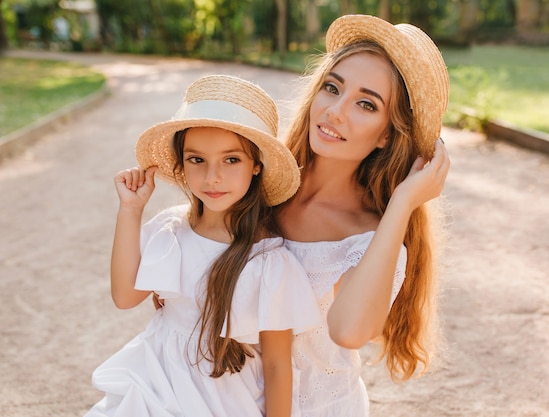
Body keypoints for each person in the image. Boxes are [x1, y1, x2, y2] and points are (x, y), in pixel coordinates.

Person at [85, 75, 321, 417]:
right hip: (157, 382)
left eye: (231, 160)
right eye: (197, 160)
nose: (213, 177)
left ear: (256, 165)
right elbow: (125, 297)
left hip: (223, 399)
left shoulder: (268, 261)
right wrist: (131, 210)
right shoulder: (171, 232)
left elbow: (276, 364)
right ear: (181, 165)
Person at [276, 14, 451, 416]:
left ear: (388, 133)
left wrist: (404, 204)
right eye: (332, 87)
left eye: (366, 104)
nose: (335, 111)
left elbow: (350, 331)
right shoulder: (261, 183)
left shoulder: (370, 238)